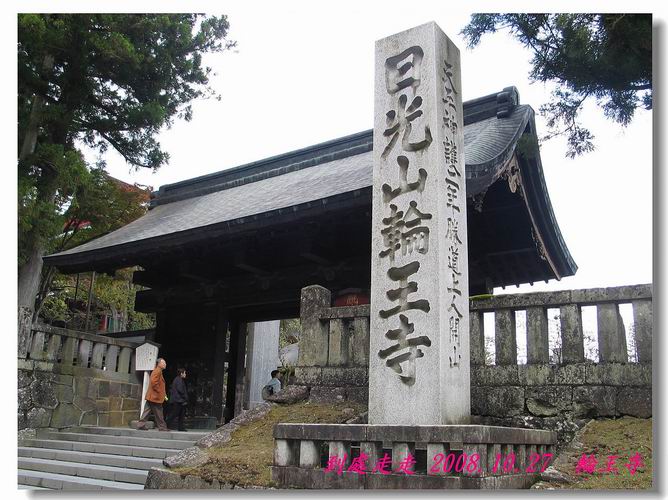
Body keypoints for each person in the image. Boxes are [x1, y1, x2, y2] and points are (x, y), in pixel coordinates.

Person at [137, 358, 169, 431]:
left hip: (152, 396)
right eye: (163, 363)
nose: (165, 364)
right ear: (159, 364)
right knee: (159, 412)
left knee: (147, 411)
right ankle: (162, 427)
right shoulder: (158, 371)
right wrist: (160, 392)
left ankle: (141, 425)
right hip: (155, 396)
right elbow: (154, 382)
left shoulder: (157, 371)